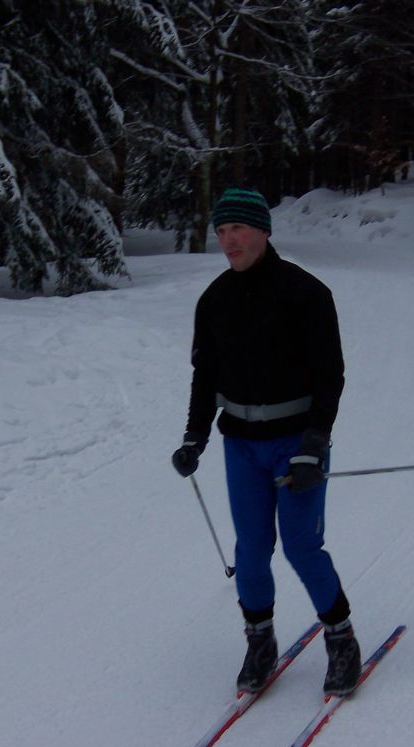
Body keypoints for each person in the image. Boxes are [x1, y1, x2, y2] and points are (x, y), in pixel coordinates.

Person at [171, 187, 362, 697]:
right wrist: (194, 437)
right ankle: (260, 640)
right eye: (221, 231)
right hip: (242, 445)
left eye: (237, 228)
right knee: (252, 549)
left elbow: (330, 376)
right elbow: (204, 375)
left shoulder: (306, 293)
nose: (228, 240)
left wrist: (314, 442)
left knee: (301, 545)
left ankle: (341, 638)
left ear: (263, 230)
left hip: (295, 441)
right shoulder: (214, 300)